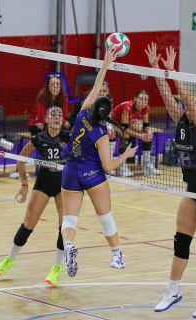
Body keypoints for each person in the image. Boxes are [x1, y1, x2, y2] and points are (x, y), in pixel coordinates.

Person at [146, 43, 196, 318]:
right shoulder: (181, 120)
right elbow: (166, 93)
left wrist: (173, 70)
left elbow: (184, 95)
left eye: (195, 105)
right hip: (193, 187)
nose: (190, 106)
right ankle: (173, 290)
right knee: (181, 240)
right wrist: (157, 68)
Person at [60, 47, 137, 278]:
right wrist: (126, 155)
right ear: (107, 113)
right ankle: (116, 256)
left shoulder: (83, 112)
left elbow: (96, 87)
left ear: (93, 106)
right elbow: (108, 167)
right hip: (91, 174)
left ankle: (68, 246)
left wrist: (106, 62)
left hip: (71, 170)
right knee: (105, 217)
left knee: (69, 218)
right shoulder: (102, 134)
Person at [0, 107, 70, 286]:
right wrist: (24, 185)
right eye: (53, 115)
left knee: (63, 225)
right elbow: (20, 158)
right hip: (43, 183)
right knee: (28, 223)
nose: (57, 118)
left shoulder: (68, 137)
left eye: (59, 115)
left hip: (63, 185)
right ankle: (9, 259)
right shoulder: (39, 138)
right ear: (46, 119)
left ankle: (56, 268)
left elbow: (80, 158)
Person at [111, 90, 161, 176]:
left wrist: (148, 133)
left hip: (128, 123)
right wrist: (140, 136)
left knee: (147, 134)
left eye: (145, 100)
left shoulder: (146, 108)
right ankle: (122, 167)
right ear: (135, 99)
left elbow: (145, 126)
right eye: (140, 99)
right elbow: (125, 128)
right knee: (125, 135)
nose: (143, 102)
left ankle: (147, 166)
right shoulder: (128, 106)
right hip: (113, 122)